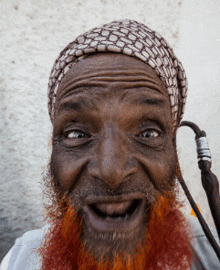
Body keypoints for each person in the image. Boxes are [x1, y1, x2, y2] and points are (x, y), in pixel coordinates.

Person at [0, 19, 219, 270]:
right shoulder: (21, 261)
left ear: (174, 151)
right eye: (76, 134)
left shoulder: (211, 257)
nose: (111, 172)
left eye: (148, 134)